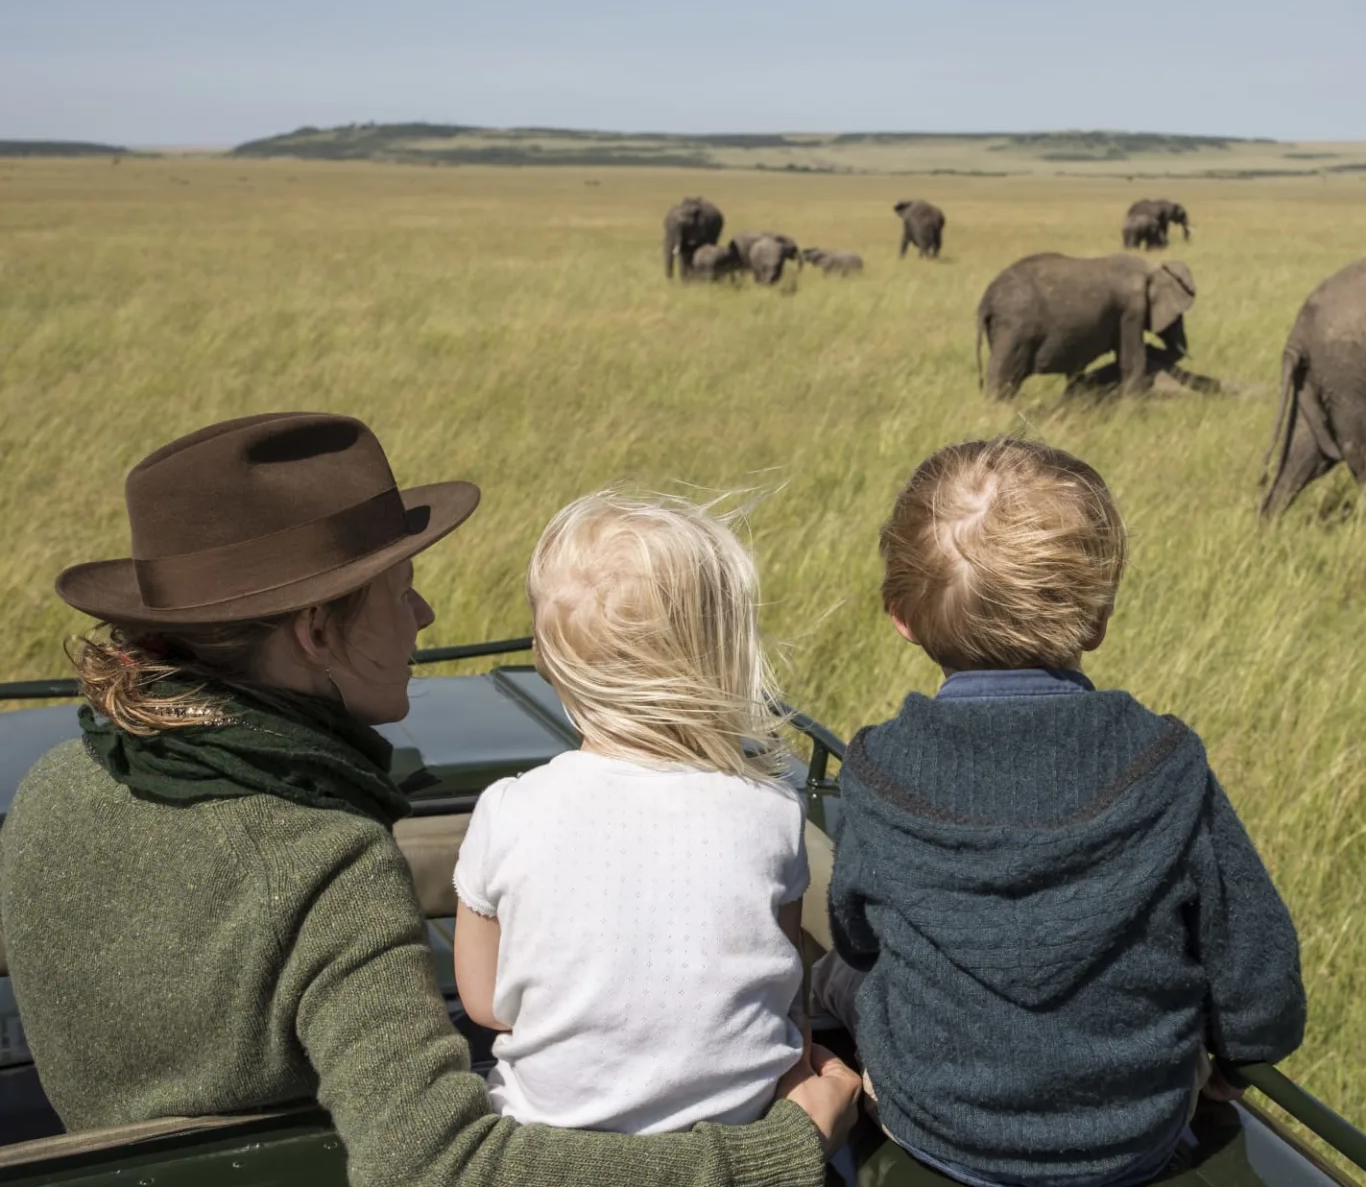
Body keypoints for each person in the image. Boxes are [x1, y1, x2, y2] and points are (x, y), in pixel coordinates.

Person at [0, 413, 858, 1185]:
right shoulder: (313, 858)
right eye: (400, 588)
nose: (425, 612)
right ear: (316, 632)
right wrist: (772, 1154)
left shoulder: (58, 784)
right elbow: (439, 1168)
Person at [820, 437, 1308, 1187]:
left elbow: (856, 933)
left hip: (934, 1129)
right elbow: (1257, 965)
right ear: (1096, 620)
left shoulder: (878, 769)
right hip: (1133, 1143)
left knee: (835, 974)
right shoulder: (1167, 764)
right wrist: (1238, 1063)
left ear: (902, 619)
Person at [452, 492, 812, 1135]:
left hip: (547, 1140)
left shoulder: (507, 809)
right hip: (740, 1133)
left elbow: (483, 1003)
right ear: (721, 653)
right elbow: (781, 985)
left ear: (546, 659)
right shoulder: (772, 807)